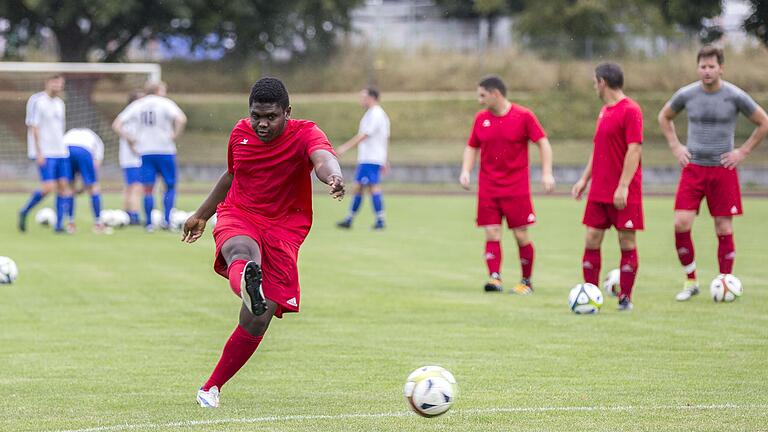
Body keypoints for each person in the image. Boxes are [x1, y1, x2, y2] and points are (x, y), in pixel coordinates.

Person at [181, 77, 345, 408]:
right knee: (242, 251)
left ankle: (211, 387)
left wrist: (334, 177)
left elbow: (322, 158)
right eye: (256, 115)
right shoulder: (240, 132)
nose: (262, 123)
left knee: (257, 318)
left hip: (285, 228)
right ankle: (246, 278)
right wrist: (201, 214)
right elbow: (231, 175)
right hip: (240, 213)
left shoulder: (306, 132)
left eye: (270, 116)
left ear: (287, 112)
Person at [658, 45, 768, 301]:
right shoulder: (686, 94)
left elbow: (764, 122)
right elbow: (664, 116)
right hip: (693, 168)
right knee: (681, 222)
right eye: (703, 66)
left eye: (711, 66)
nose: (707, 71)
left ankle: (725, 282)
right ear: (698, 68)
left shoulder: (735, 95)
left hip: (723, 169)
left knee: (723, 227)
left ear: (721, 68)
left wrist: (742, 152)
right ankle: (691, 280)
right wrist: (676, 146)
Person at [459, 76, 555, 295]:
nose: (480, 100)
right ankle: (495, 278)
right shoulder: (481, 119)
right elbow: (471, 146)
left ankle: (526, 282)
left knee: (521, 235)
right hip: (488, 187)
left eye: (483, 95)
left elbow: (543, 142)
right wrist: (466, 170)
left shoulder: (523, 116)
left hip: (516, 187)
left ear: (496, 94)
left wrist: (547, 173)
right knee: (492, 233)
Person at [572, 63, 643, 311]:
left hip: (624, 191)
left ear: (602, 82)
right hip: (599, 190)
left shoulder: (631, 110)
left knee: (626, 242)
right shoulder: (604, 111)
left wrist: (623, 186)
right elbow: (598, 149)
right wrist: (584, 179)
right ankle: (591, 295)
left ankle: (625, 298)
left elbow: (635, 149)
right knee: (592, 238)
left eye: (595, 81)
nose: (594, 85)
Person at [113, 81, 187, 231]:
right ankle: (166, 220)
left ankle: (148, 223)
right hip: (165, 150)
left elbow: (117, 124)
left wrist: (130, 138)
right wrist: (175, 134)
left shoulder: (138, 104)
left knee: (148, 188)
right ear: (159, 90)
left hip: (146, 151)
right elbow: (181, 119)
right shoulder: (165, 103)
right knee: (170, 186)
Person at [18, 74, 74, 233]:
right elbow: (33, 126)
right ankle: (25, 210)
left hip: (60, 151)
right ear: (47, 83)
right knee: (48, 187)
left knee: (64, 186)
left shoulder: (60, 103)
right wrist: (39, 151)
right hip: (45, 151)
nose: (58, 86)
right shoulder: (37, 101)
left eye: (60, 83)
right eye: (55, 82)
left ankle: (58, 226)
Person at [336, 87, 390, 230]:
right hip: (371, 158)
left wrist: (345, 147)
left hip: (370, 158)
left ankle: (379, 220)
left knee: (370, 187)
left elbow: (364, 135)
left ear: (372, 97)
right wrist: (384, 159)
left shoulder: (376, 114)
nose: (361, 100)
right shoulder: (373, 114)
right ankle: (351, 219)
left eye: (363, 97)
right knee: (361, 188)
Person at [63, 127, 108, 233]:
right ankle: (98, 224)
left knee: (68, 188)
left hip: (65, 150)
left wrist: (78, 186)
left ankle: (70, 224)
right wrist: (85, 185)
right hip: (84, 150)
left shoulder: (69, 133)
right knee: (94, 188)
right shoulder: (97, 141)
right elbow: (95, 166)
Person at [119, 90, 145, 225]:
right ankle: (133, 215)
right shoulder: (131, 112)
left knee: (130, 186)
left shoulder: (134, 117)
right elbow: (117, 126)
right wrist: (132, 142)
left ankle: (127, 213)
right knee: (136, 186)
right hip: (133, 157)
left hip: (128, 157)